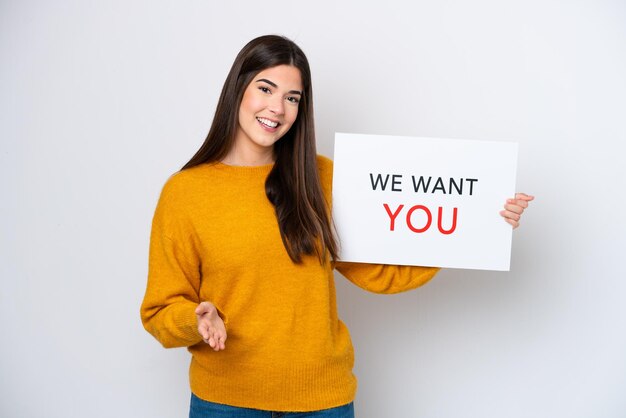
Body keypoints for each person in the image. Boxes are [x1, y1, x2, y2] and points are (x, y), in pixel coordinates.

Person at [140, 34, 534, 418]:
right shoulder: (185, 192)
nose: (277, 108)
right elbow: (159, 311)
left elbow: (381, 273)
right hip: (223, 402)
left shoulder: (322, 179)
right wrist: (196, 319)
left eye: (292, 98)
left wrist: (474, 226)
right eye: (266, 88)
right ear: (238, 89)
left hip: (322, 402)